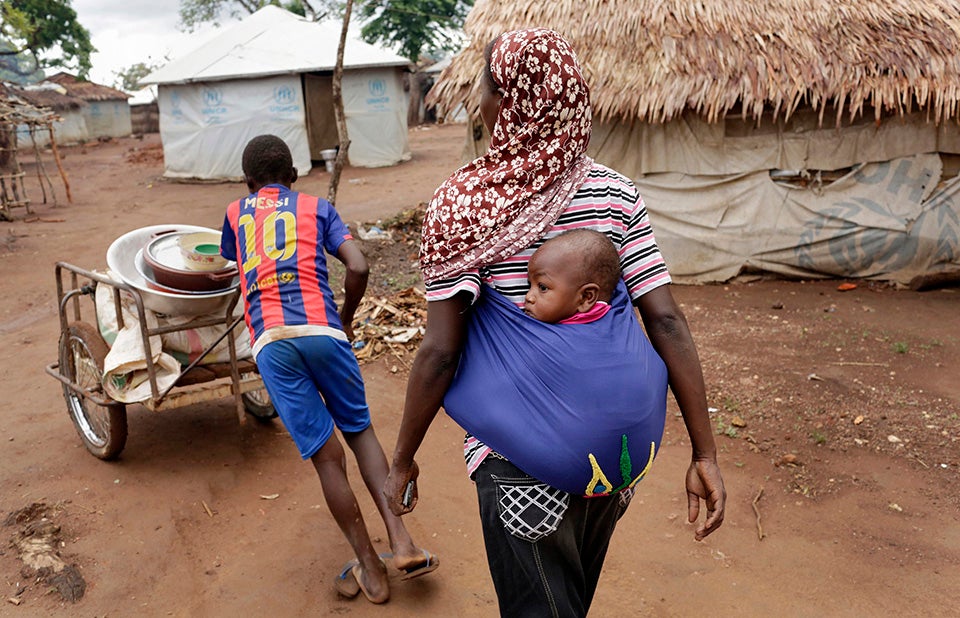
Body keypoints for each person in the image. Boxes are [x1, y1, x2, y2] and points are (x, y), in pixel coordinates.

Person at [383, 29, 725, 617]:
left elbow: (441, 351)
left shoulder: (465, 203)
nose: (480, 103)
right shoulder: (615, 194)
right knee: (568, 601)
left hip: (516, 458)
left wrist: (402, 458)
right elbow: (665, 321)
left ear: (509, 101)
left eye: (486, 89)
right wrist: (705, 453)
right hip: (615, 458)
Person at [220, 135, 437, 605]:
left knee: (327, 458)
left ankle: (371, 571)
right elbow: (357, 266)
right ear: (295, 177)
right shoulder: (316, 207)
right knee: (360, 433)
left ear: (249, 182)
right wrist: (346, 315)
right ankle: (401, 541)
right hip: (324, 330)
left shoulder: (236, 214)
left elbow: (231, 268)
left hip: (272, 342)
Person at [523, 229, 621, 324]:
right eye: (530, 285)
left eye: (542, 287)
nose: (528, 297)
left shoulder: (599, 332)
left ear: (585, 297)